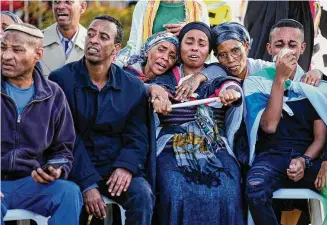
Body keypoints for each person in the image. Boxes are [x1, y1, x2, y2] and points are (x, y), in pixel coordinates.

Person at [49, 15, 155, 225]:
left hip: (114, 165)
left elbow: (138, 136)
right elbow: (64, 137)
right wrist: (88, 183)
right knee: (69, 195)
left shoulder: (132, 86)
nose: (94, 40)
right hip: (73, 165)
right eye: (91, 34)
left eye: (103, 37)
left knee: (142, 194)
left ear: (116, 50)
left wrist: (126, 166)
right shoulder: (60, 80)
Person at [150, 22, 245, 225]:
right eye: (189, 42)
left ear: (208, 50)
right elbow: (156, 92)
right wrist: (159, 100)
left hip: (213, 147)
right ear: (180, 46)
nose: (195, 48)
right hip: (170, 148)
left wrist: (230, 93)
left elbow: (230, 85)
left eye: (202, 44)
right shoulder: (165, 78)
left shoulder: (216, 74)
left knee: (228, 187)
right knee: (174, 187)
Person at [243, 19, 327, 225]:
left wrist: (304, 160)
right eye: (279, 44)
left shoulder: (314, 84)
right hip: (271, 155)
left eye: (293, 44)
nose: (286, 49)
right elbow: (269, 126)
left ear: (302, 48)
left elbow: (320, 136)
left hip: (308, 156)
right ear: (269, 48)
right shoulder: (256, 81)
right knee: (254, 187)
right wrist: (280, 80)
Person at [1, 23, 82, 225]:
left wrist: (56, 170)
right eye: (3, 48)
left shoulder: (53, 95)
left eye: (17, 50)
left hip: (31, 182)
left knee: (69, 193)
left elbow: (64, 149)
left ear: (38, 54)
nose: (6, 56)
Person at [116, 0, 210, 66]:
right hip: (150, 71)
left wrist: (189, 30)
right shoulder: (144, 4)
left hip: (183, 73)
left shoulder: (198, 6)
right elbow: (133, 44)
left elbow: (207, 43)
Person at [40, 0, 87, 78]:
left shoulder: (94, 43)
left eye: (68, 2)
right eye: (56, 2)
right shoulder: (36, 42)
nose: (60, 7)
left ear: (82, 7)